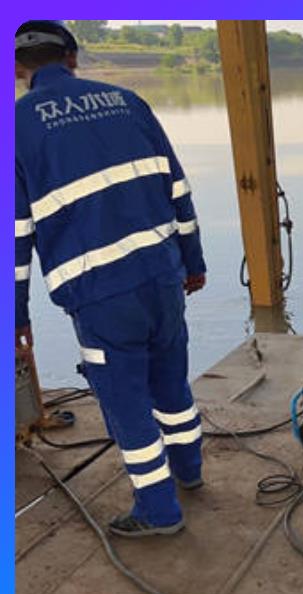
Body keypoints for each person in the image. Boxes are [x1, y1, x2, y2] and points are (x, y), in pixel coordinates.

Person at [15, 20, 207, 537]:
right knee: (171, 381)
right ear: (72, 57)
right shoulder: (128, 101)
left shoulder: (17, 125)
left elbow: (17, 237)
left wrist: (16, 315)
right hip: (162, 274)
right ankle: (190, 471)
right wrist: (193, 263)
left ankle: (158, 511)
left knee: (126, 403)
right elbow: (178, 189)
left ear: (17, 69)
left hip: (100, 294)